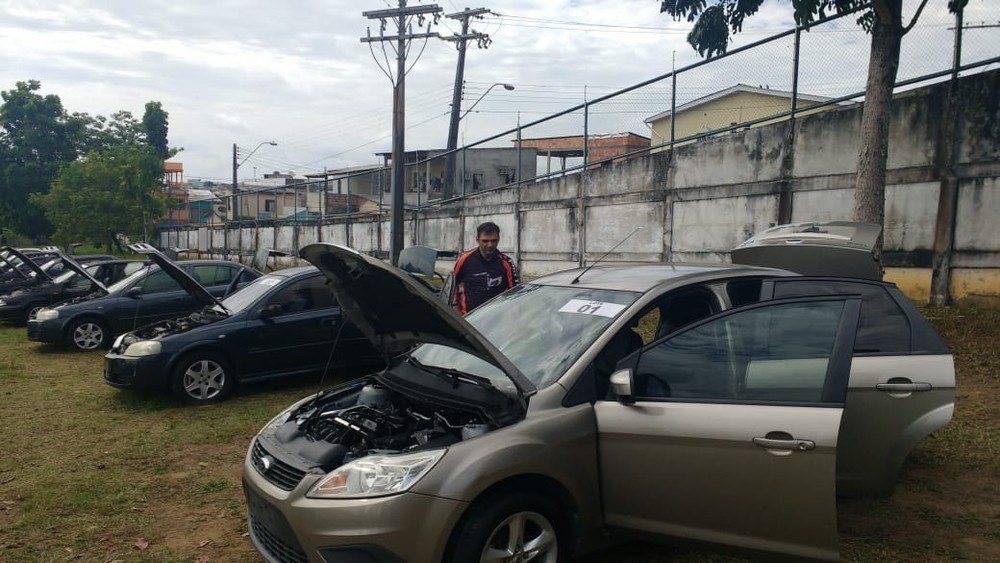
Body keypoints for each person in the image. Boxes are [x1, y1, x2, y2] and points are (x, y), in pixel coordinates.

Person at [451, 221, 519, 314]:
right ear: (477, 240)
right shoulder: (465, 259)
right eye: (485, 241)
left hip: (495, 316)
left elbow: (515, 293)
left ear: (498, 239)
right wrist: (455, 306)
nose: (490, 245)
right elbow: (453, 284)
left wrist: (516, 315)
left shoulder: (507, 263)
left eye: (493, 241)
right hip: (468, 317)